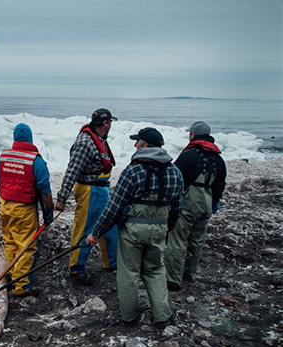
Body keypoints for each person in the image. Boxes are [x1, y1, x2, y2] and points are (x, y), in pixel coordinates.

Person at [85, 127, 184, 326]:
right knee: (155, 270)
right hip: (159, 229)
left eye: (137, 141)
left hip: (132, 230)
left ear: (145, 145)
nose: (135, 144)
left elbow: (114, 207)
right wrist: (166, 229)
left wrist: (96, 233)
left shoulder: (133, 171)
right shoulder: (175, 172)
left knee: (129, 272)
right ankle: (162, 315)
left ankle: (129, 316)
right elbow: (177, 208)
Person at [0, 123, 54, 297]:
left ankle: (12, 274)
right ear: (30, 138)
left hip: (6, 206)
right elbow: (44, 188)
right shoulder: (34, 160)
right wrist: (49, 209)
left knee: (10, 242)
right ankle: (22, 286)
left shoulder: (4, 157)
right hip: (24, 210)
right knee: (27, 247)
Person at [55, 108, 118, 285]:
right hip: (90, 190)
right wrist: (62, 198)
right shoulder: (85, 142)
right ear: (105, 123)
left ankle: (112, 263)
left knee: (110, 226)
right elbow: (72, 171)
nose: (111, 125)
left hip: (101, 189)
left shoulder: (98, 139)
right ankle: (76, 268)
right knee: (85, 229)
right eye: (110, 122)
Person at [164, 121, 227, 291]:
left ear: (192, 135)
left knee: (178, 240)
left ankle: (173, 279)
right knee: (197, 240)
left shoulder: (189, 155)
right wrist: (215, 202)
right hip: (207, 201)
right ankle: (189, 274)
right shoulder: (218, 158)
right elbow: (220, 183)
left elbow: (175, 176)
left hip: (188, 201)